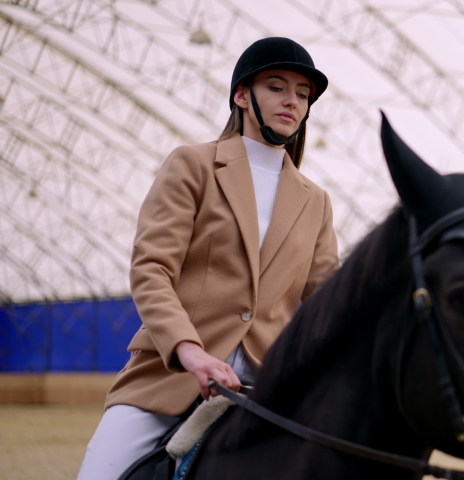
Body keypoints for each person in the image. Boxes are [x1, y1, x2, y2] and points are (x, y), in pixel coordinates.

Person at [76, 37, 339, 480]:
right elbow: (151, 269)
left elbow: (330, 302)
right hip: (172, 377)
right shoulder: (192, 165)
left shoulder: (317, 202)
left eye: (302, 93)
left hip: (270, 389)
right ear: (241, 95)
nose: (292, 101)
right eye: (277, 87)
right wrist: (191, 352)